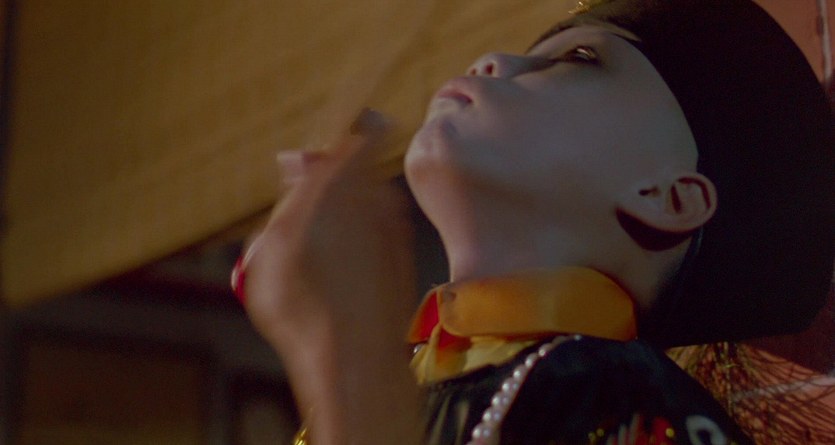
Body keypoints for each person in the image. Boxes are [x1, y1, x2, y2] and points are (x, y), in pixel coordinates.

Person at [232, 0, 834, 444]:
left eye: (579, 59)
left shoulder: (623, 398)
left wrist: (347, 357)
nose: (491, 60)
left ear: (668, 198)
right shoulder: (411, 378)